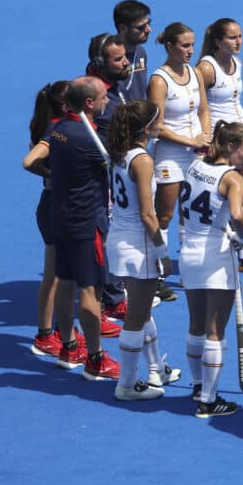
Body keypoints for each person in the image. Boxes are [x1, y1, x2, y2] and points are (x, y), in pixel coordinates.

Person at [105, 100, 180, 400]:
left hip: (119, 240)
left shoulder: (118, 155)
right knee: (136, 316)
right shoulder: (143, 161)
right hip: (139, 245)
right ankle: (126, 384)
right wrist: (163, 254)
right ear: (147, 128)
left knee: (141, 308)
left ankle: (155, 370)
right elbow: (149, 215)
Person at [47, 76, 120, 380]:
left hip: (60, 217)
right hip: (86, 222)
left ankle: (68, 347)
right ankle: (95, 358)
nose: (108, 102)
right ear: (89, 103)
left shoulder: (59, 128)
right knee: (90, 290)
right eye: (104, 97)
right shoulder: (88, 139)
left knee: (66, 283)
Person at [180, 121, 243, 418]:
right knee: (215, 331)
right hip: (216, 255)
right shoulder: (233, 178)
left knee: (196, 324)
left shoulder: (195, 166)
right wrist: (242, 236)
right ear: (228, 147)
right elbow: (237, 214)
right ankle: (208, 400)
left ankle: (199, 385)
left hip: (189, 253)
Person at [148, 22, 212, 302]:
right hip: (171, 156)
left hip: (196, 153)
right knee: (165, 215)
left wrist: (206, 136)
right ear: (170, 46)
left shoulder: (195, 72)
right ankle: (157, 274)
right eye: (185, 46)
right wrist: (191, 142)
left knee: (190, 214)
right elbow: (156, 127)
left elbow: (204, 109)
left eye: (192, 45)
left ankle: (188, 269)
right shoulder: (159, 80)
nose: (190, 51)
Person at [197, 17, 243, 275]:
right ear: (217, 41)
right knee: (217, 196)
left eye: (240, 36)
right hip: (221, 141)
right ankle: (207, 250)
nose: (238, 41)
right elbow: (199, 105)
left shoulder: (237, 63)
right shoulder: (206, 68)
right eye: (232, 37)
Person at [87, 32, 137, 326]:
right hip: (100, 181)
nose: (126, 63)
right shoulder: (94, 95)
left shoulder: (116, 86)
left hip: (116, 174)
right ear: (98, 62)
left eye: (125, 56)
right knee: (106, 237)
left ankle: (114, 293)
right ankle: (111, 301)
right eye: (118, 59)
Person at [23, 81, 70, 357]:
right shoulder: (56, 132)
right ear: (66, 106)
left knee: (62, 273)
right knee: (53, 275)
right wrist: (52, 175)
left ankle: (60, 329)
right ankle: (44, 335)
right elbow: (30, 161)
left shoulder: (49, 126)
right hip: (55, 206)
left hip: (53, 204)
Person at [112, 0, 152, 102]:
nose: (148, 30)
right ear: (123, 28)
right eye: (141, 27)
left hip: (140, 115)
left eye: (149, 23)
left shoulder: (141, 52)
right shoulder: (108, 56)